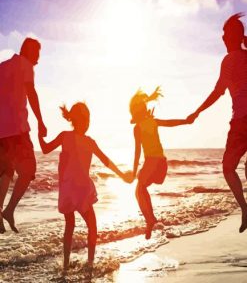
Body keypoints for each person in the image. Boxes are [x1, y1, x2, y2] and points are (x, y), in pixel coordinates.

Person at [38, 102, 130, 271]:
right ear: (77, 120)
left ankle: (66, 265)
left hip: (67, 189)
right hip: (80, 189)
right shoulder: (87, 141)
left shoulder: (65, 136)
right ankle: (89, 263)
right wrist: (122, 175)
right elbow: (106, 161)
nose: (87, 124)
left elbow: (44, 148)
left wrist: (39, 133)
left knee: (70, 225)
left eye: (88, 120)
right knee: (91, 225)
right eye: (85, 120)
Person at [187, 13, 247, 233]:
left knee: (228, 167)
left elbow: (217, 92)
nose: (222, 38)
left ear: (234, 36)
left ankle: (244, 207)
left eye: (225, 34)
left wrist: (197, 111)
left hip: (242, 121)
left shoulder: (229, 60)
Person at [129, 87, 191, 239]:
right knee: (139, 190)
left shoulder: (138, 128)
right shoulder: (152, 121)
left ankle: (150, 219)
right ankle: (149, 220)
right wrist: (186, 121)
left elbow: (137, 152)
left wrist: (133, 171)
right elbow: (170, 123)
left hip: (152, 163)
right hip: (162, 165)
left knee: (140, 188)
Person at [0, 37, 47, 234]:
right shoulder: (26, 65)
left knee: (6, 172)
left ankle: (0, 212)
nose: (38, 57)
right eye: (37, 53)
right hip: (17, 130)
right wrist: (40, 121)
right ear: (29, 51)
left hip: (1, 132)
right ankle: (9, 210)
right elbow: (31, 92)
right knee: (28, 170)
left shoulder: (3, 67)